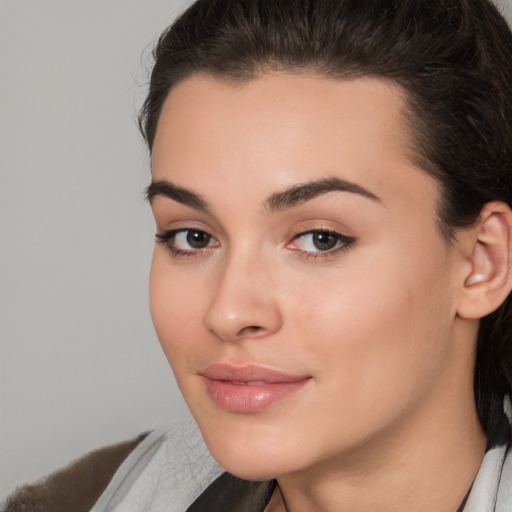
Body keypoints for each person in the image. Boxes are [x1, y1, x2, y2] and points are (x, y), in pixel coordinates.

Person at [4, 0, 512, 511]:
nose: (227, 313)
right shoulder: (83, 499)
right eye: (192, 237)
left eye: (319, 238)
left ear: (483, 263)